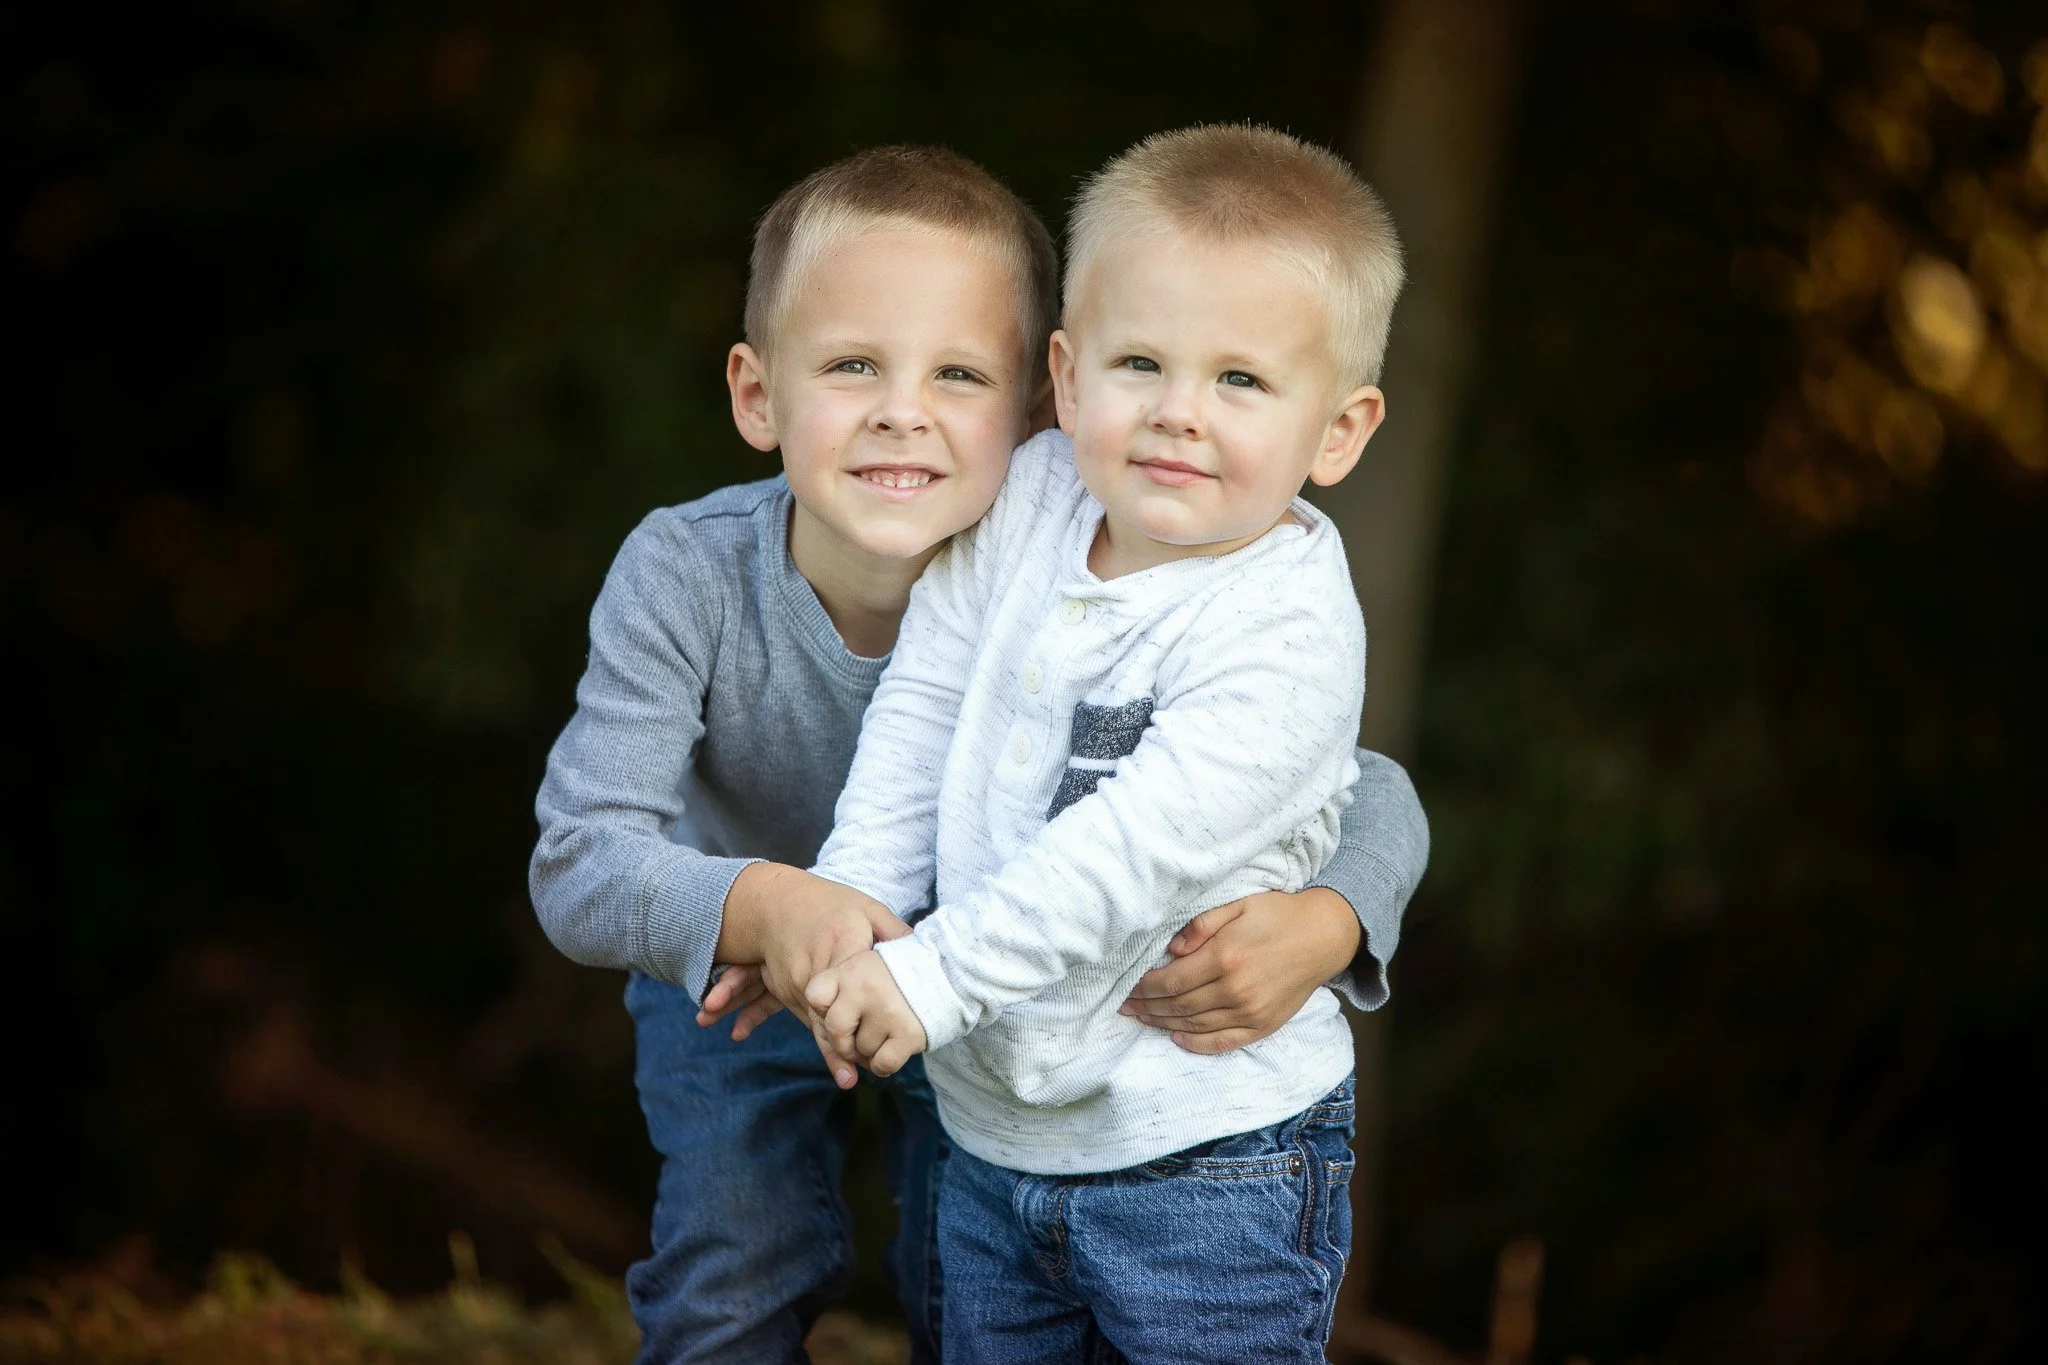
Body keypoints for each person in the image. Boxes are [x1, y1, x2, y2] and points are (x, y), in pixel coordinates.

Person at [529, 144, 1428, 1365]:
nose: (902, 410)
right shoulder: (695, 577)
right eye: (851, 366)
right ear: (756, 395)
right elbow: (582, 858)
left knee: (948, 1284)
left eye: (957, 373)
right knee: (735, 1263)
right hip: (743, 955)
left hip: (987, 985)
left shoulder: (1120, 562)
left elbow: (1353, 779)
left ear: (1030, 402)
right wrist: (775, 907)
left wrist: (1330, 918)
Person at [802, 124, 1408, 1364]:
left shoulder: (1284, 630)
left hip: (1209, 1157)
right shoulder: (1028, 499)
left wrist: (926, 980)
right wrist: (855, 896)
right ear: (1068, 378)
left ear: (1336, 433)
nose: (1180, 414)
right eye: (1141, 362)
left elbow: (1124, 855)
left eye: (1241, 382)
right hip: (995, 1130)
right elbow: (923, 701)